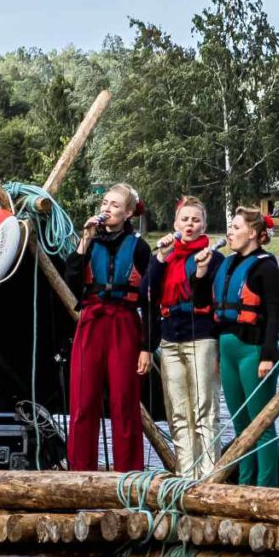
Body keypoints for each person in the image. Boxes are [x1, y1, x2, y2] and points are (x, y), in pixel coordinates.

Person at [69, 182, 157, 470]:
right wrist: (84, 239)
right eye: (105, 203)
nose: (107, 208)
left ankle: (128, 476)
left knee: (124, 403)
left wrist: (147, 347)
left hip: (124, 324)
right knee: (83, 401)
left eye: (115, 205)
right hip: (92, 322)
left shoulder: (139, 247)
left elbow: (151, 301)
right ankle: (80, 475)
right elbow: (70, 281)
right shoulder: (90, 242)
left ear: (128, 212)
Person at [205, 205, 279, 486]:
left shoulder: (266, 266)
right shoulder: (226, 264)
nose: (230, 232)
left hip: (254, 351)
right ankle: (244, 485)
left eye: (236, 227)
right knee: (240, 425)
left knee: (260, 425)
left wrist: (267, 355)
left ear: (253, 233)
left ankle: (266, 490)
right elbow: (208, 303)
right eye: (230, 227)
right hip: (227, 351)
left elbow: (274, 313)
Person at [152, 196, 220, 474]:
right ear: (175, 223)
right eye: (185, 219)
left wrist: (202, 272)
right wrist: (159, 258)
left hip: (201, 336)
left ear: (203, 225)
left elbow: (214, 299)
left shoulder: (213, 258)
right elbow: (147, 289)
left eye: (195, 220)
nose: (190, 224)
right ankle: (185, 471)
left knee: (204, 408)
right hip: (170, 337)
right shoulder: (166, 257)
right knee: (178, 411)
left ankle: (207, 474)